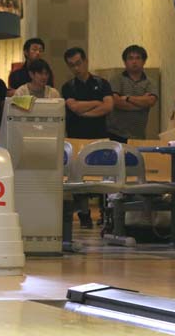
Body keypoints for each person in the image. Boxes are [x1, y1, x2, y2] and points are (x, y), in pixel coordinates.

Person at [61, 47, 113, 229]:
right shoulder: (68, 87)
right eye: (71, 65)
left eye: (78, 63)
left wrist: (86, 113)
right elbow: (74, 107)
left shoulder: (102, 83)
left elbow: (108, 107)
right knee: (79, 178)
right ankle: (84, 214)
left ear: (85, 61)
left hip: (99, 135)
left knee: (104, 177)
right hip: (76, 137)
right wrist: (96, 103)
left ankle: (106, 214)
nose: (76, 68)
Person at [107, 45, 159, 142]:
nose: (134, 61)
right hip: (115, 134)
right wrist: (141, 104)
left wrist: (127, 98)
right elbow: (116, 102)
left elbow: (151, 101)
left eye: (138, 58)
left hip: (138, 135)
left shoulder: (150, 82)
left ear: (144, 61)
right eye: (130, 58)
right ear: (125, 62)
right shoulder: (116, 79)